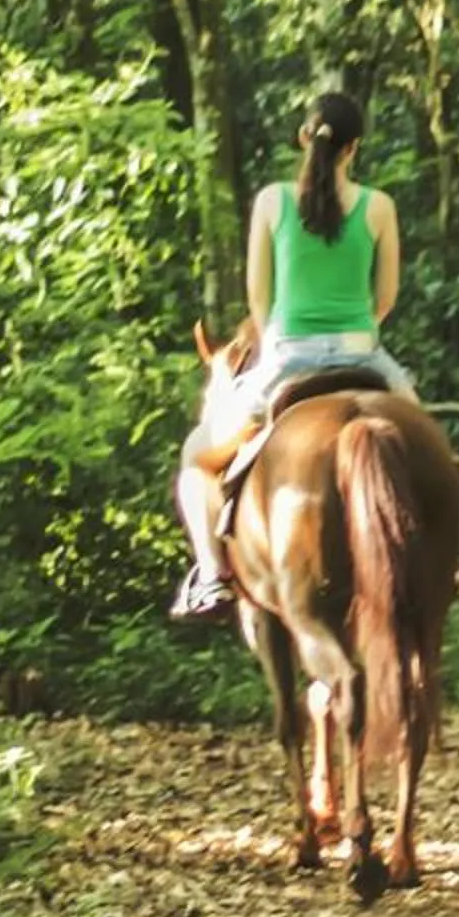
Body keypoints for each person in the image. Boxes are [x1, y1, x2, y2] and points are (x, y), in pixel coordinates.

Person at [170, 91, 417, 621]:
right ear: (355, 148)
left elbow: (259, 299)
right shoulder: (379, 206)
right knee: (430, 449)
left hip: (287, 358)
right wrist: (356, 333)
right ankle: (447, 564)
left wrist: (279, 341)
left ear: (305, 138)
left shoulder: (270, 201)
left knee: (195, 458)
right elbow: (387, 296)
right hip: (364, 356)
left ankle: (212, 576)